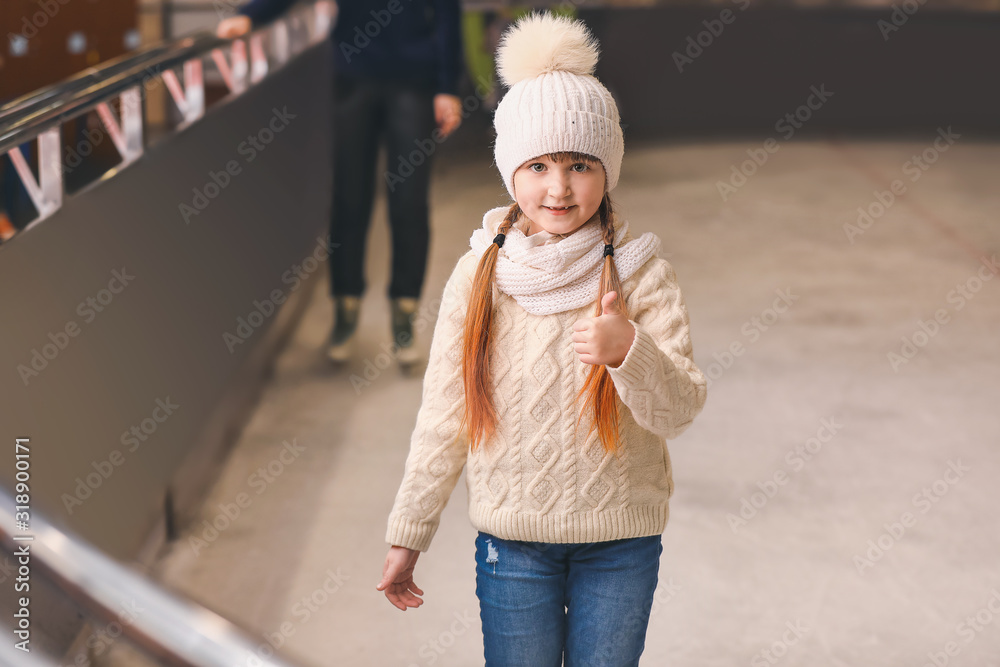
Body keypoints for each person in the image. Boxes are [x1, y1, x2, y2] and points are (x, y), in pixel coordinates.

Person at [375, 12, 708, 666]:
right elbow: (443, 415)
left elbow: (679, 409)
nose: (558, 187)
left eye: (580, 164)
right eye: (539, 165)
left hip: (621, 542)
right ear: (510, 171)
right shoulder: (480, 274)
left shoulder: (642, 273)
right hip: (513, 542)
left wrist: (628, 351)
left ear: (607, 167)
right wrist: (408, 533)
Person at [216, 0, 464, 368]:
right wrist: (250, 15)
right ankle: (345, 312)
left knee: (409, 203)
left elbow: (447, 14)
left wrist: (448, 87)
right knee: (349, 199)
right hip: (354, 76)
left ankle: (404, 316)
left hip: (416, 82)